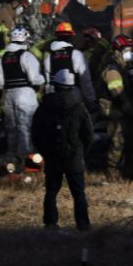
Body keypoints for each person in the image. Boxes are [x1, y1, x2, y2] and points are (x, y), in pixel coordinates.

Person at [31, 87, 93, 231]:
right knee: (78, 193)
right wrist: (81, 153)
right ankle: (83, 224)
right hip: (74, 157)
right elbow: (88, 134)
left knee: (51, 191)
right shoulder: (79, 107)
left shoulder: (44, 108)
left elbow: (35, 133)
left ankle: (50, 223)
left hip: (53, 157)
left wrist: (45, 152)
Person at [0, 25, 45, 166]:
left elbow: (0, 82)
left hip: (9, 96)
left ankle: (11, 158)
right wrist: (43, 81)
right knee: (26, 126)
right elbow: (34, 79)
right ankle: (26, 159)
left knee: (11, 128)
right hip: (25, 94)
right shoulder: (26, 56)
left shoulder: (4, 57)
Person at [99, 35, 133, 177]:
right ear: (117, 52)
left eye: (130, 50)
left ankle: (132, 169)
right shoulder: (112, 70)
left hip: (128, 107)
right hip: (114, 109)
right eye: (126, 50)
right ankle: (112, 170)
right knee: (117, 140)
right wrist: (129, 109)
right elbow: (117, 93)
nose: (128, 53)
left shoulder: (130, 67)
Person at [43, 22, 97, 107]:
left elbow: (48, 81)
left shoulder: (49, 56)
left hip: (54, 97)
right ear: (71, 36)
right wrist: (91, 99)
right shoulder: (77, 54)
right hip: (72, 96)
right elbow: (85, 80)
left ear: (56, 36)